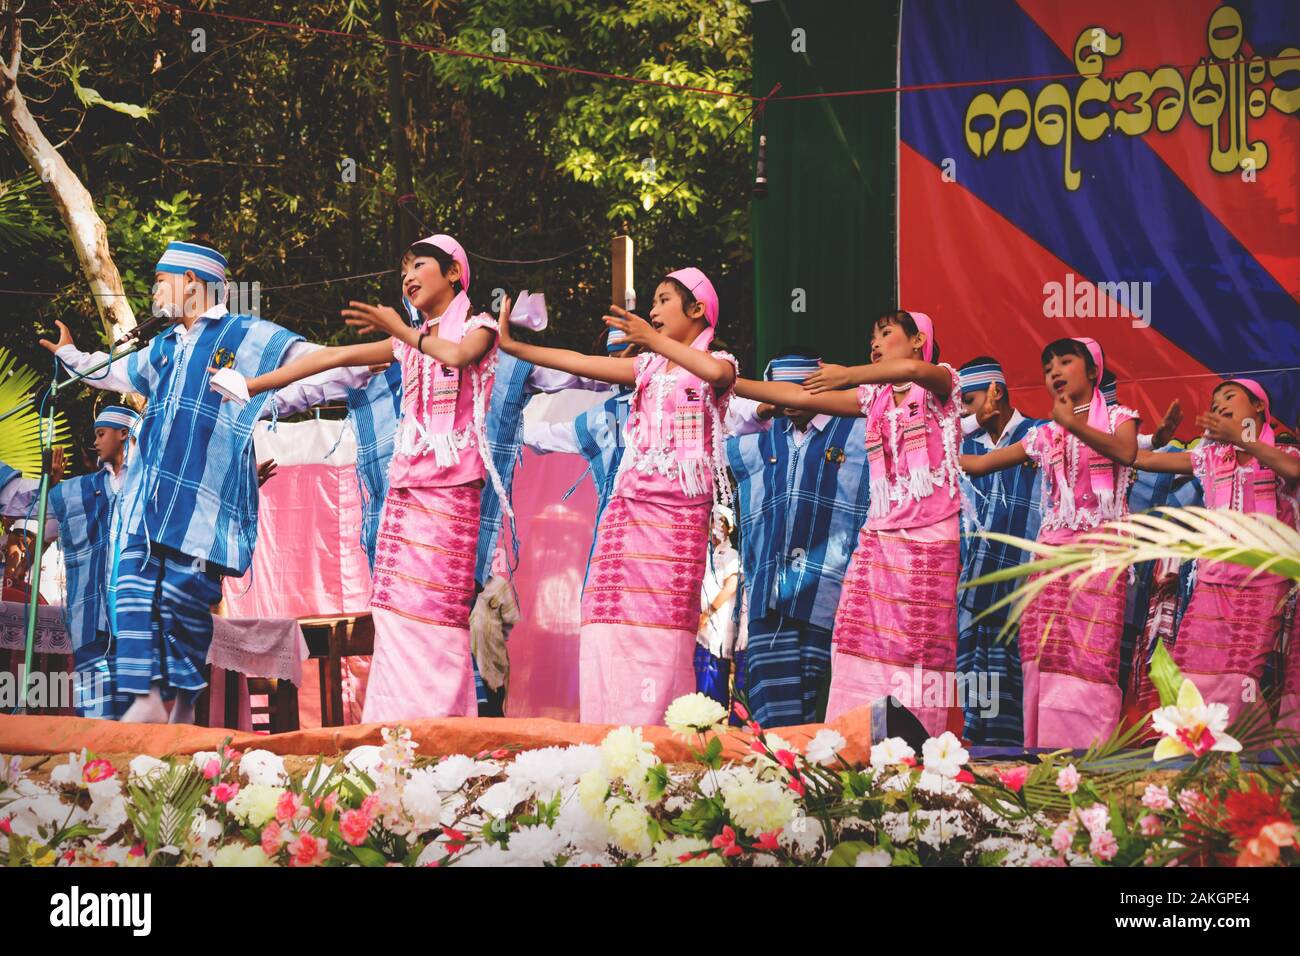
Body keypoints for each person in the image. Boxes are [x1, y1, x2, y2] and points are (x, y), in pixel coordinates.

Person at [40, 241, 340, 724]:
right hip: (147, 517)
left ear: (193, 284)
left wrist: (378, 360)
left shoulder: (246, 335)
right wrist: (72, 353)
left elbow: (314, 362)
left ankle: (174, 746)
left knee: (181, 633)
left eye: (162, 279)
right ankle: (143, 733)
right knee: (134, 615)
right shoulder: (162, 347)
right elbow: (112, 373)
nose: (155, 289)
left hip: (200, 522)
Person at [227, 233, 502, 721]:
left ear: (455, 273)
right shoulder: (406, 342)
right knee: (395, 618)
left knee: (437, 619)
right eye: (403, 272)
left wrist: (403, 330)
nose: (408, 277)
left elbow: (457, 357)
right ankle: (396, 730)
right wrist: (251, 385)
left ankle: (444, 728)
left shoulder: (478, 326)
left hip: (452, 494)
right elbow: (332, 357)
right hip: (405, 495)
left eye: (419, 265)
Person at [497, 267, 737, 725]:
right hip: (626, 515)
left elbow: (710, 371)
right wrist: (515, 348)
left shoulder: (719, 363)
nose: (651, 310)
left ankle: (656, 733)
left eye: (663, 299)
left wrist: (653, 339)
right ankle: (609, 732)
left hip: (675, 520)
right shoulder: (644, 367)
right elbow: (577, 362)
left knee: (661, 631)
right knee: (608, 624)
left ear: (698, 310)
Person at [736, 310, 963, 735]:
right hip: (879, 537)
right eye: (871, 336)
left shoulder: (940, 387)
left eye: (886, 334)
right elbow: (801, 399)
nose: (875, 343)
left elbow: (914, 370)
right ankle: (857, 741)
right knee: (858, 643)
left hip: (928, 541)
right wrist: (727, 381)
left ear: (918, 341)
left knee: (917, 651)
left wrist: (849, 374)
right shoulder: (872, 399)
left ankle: (915, 748)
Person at [961, 337, 1139, 749]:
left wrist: (1074, 423)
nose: (1054, 371)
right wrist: (938, 444)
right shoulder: (1045, 436)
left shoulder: (1118, 418)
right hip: (1050, 557)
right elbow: (981, 463)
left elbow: (1127, 453)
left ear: (1093, 372)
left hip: (1099, 557)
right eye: (1047, 367)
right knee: (1048, 655)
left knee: (1092, 657)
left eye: (1065, 361)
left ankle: (1089, 751)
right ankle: (1048, 750)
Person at [1132, 379, 1300, 723]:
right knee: (1194, 671)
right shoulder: (1209, 458)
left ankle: (1240, 757)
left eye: (1230, 396)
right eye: (1215, 399)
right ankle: (1198, 750)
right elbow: (1141, 459)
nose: (1220, 402)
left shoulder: (1285, 456)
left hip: (1262, 586)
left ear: (1258, 407)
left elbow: (1294, 473)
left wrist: (1243, 438)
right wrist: (1160, 437)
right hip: (1212, 584)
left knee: (1241, 677)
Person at [726, 350, 871, 727]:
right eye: (777, 391)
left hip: (824, 593)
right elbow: (708, 432)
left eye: (794, 389)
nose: (786, 400)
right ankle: (779, 781)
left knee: (809, 704)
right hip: (767, 593)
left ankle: (804, 780)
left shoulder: (857, 432)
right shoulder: (759, 433)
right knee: (771, 713)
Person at [955, 357, 1045, 747]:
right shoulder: (961, 445)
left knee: (1013, 697)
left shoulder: (1040, 434)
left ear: (997, 392)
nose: (963, 411)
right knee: (971, 702)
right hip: (969, 590)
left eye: (969, 401)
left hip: (1022, 589)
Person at [48, 406, 138, 719]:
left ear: (123, 434)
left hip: (132, 610)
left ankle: (132, 765)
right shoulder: (81, 489)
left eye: (101, 434)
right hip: (89, 610)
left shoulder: (148, 483)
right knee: (93, 703)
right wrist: (52, 485)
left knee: (132, 703)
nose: (95, 442)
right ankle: (94, 764)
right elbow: (41, 516)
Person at [695, 505, 742, 709]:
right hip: (704, 626)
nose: (715, 526)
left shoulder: (731, 553)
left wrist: (709, 612)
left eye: (720, 521)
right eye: (713, 520)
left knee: (714, 675)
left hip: (719, 623)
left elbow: (731, 586)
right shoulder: (708, 551)